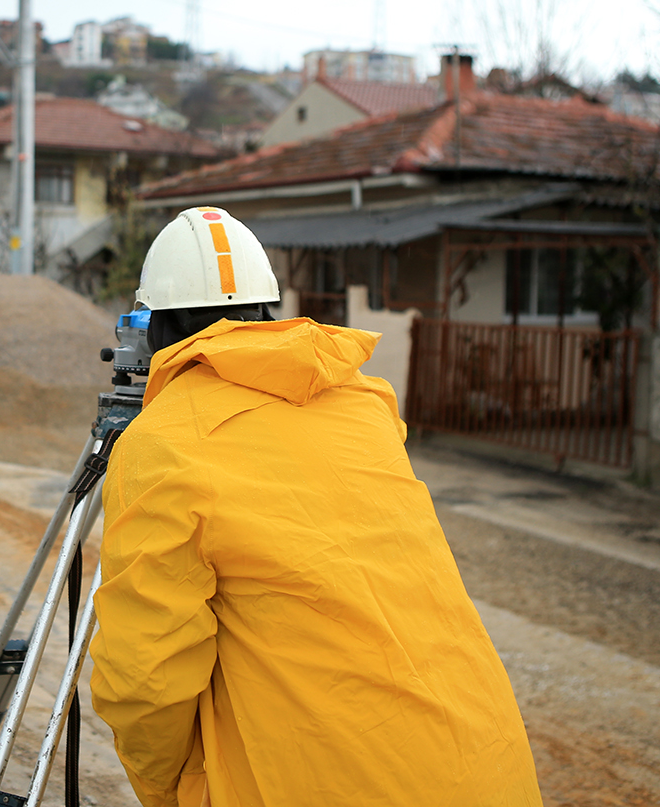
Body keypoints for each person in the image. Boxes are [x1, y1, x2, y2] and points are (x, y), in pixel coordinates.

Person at [88, 206, 542, 807]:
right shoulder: (363, 403)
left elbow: (144, 676)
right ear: (265, 311)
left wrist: (170, 790)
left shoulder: (163, 445)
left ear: (154, 329)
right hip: (485, 766)